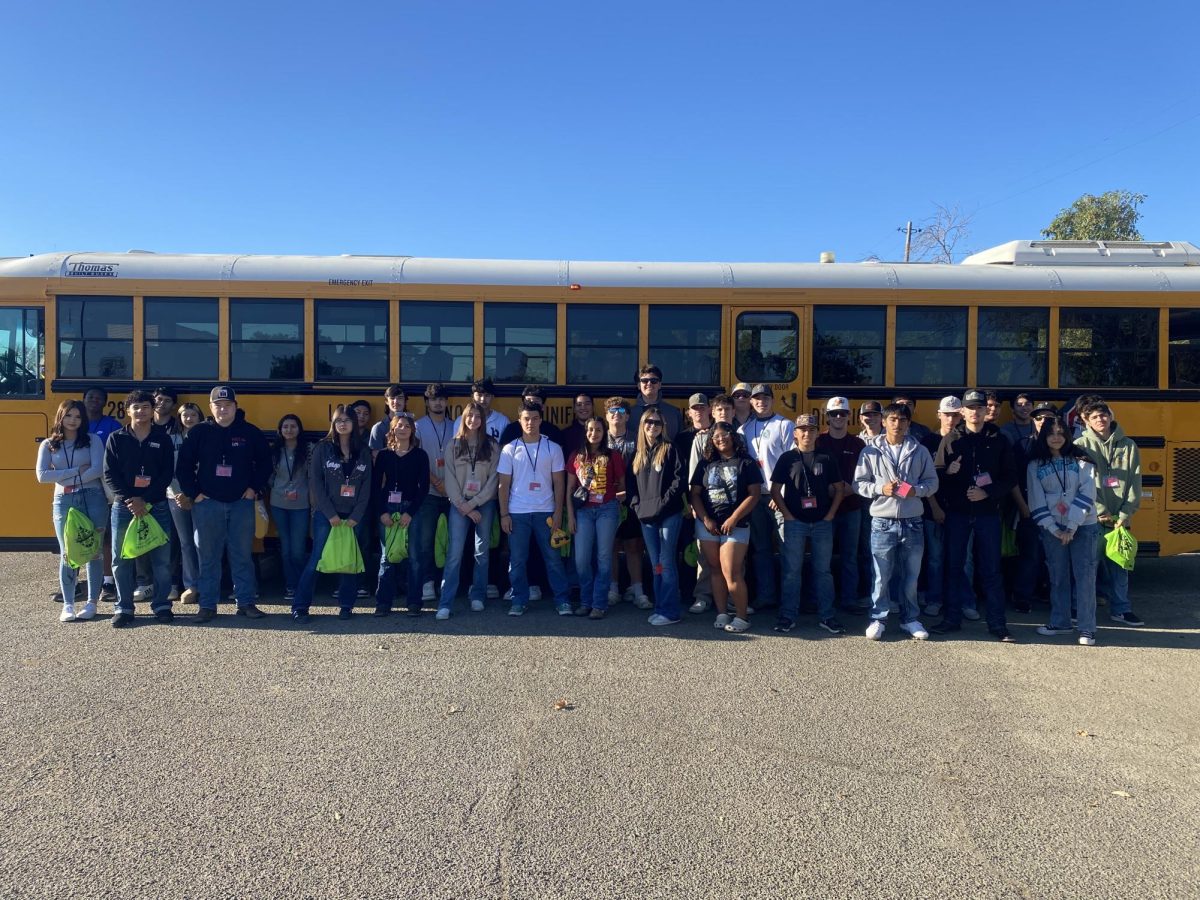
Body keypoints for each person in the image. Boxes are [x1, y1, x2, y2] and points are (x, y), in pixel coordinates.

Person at [175, 385, 271, 622]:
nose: (223, 409)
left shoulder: (250, 432)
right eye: (218, 405)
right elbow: (184, 466)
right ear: (211, 407)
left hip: (241, 503)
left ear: (235, 407)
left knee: (242, 555)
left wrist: (253, 489)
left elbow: (265, 463)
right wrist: (194, 493)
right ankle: (207, 606)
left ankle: (246, 602)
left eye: (228, 405)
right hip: (207, 504)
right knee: (207, 557)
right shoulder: (199, 432)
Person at [931, 390, 1018, 642]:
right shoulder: (950, 439)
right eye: (970, 408)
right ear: (963, 412)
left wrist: (987, 492)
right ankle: (951, 619)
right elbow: (935, 476)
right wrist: (949, 471)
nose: (975, 412)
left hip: (987, 514)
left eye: (980, 408)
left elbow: (1010, 476)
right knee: (954, 567)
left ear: (985, 411)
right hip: (957, 514)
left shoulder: (999, 439)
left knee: (991, 570)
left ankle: (998, 624)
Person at [853, 403, 937, 641]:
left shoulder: (919, 451)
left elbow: (933, 482)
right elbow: (858, 484)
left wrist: (916, 491)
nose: (897, 424)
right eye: (892, 420)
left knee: (911, 576)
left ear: (908, 423)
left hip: (912, 521)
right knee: (881, 574)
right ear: (884, 422)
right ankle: (878, 618)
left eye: (902, 420)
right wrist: (881, 488)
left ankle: (910, 619)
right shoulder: (870, 451)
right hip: (882, 520)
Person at [103, 390, 177, 627]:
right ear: (128, 411)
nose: (141, 411)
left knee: (162, 560)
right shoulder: (116, 438)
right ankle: (124, 608)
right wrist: (131, 499)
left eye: (146, 407)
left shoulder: (162, 438)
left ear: (151, 409)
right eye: (136, 407)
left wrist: (145, 500)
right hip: (124, 507)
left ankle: (162, 606)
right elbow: (110, 474)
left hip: (156, 505)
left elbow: (167, 473)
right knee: (121, 558)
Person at [292, 406, 372, 622]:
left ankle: (346, 605)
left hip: (353, 515)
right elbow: (315, 483)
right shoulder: (322, 448)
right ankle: (300, 607)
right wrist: (330, 514)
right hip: (327, 515)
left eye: (347, 420)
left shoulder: (363, 450)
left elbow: (366, 486)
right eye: (338, 420)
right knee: (316, 559)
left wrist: (357, 515)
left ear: (354, 423)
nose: (342, 424)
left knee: (347, 560)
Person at [1028, 416, 1100, 646]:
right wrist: (1053, 528)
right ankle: (1060, 622)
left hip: (1083, 526)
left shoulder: (1082, 460)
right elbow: (1036, 498)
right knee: (1057, 576)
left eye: (1061, 433)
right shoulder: (1035, 465)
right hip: (1053, 529)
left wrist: (1071, 526)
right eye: (1051, 433)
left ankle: (1087, 628)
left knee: (1085, 577)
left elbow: (1088, 493)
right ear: (1044, 436)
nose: (1056, 437)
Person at [772, 414, 845, 634]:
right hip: (795, 523)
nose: (807, 434)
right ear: (795, 433)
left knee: (823, 571)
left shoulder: (827, 457)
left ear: (816, 433)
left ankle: (827, 616)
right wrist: (788, 515)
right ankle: (787, 615)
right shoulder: (787, 458)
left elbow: (839, 488)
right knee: (791, 571)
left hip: (822, 522)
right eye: (802, 430)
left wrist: (831, 515)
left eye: (811, 430)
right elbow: (775, 490)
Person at [36, 400, 108, 622]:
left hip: (93, 498)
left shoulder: (93, 440)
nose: (73, 421)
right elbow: (41, 476)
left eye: (77, 416)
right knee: (68, 552)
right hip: (63, 500)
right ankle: (68, 604)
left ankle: (91, 603)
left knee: (93, 551)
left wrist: (64, 476)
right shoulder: (48, 444)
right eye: (68, 416)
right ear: (61, 417)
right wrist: (77, 471)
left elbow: (97, 469)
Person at [496, 402, 571, 616]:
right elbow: (503, 485)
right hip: (517, 512)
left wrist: (558, 512)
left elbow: (559, 483)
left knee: (553, 559)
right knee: (517, 559)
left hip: (546, 512)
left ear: (541, 420)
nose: (530, 422)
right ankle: (519, 600)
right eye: (526, 418)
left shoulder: (553, 448)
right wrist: (504, 514)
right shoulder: (510, 449)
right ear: (519, 420)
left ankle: (562, 600)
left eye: (535, 418)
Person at [1075, 400, 1144, 627]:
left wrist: (1125, 514)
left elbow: (1134, 481)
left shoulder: (1128, 445)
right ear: (1087, 420)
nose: (1100, 420)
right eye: (1094, 417)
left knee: (1121, 566)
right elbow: (1081, 484)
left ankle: (1121, 609)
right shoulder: (1080, 445)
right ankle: (1080, 609)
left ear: (1110, 416)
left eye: (1103, 415)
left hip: (1120, 521)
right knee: (1088, 567)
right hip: (1092, 519)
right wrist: (1099, 511)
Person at [690, 422, 762, 633]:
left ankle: (741, 616)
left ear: (733, 436)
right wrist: (706, 519)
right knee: (714, 569)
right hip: (709, 525)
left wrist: (733, 518)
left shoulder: (745, 462)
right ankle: (722, 612)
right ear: (711, 440)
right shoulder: (705, 463)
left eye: (725, 435)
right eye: (716, 437)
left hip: (736, 525)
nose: (721, 439)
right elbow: (695, 493)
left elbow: (754, 494)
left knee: (731, 571)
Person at [439, 402, 499, 618]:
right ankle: (446, 602)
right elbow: (450, 478)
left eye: (478, 416)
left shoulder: (492, 445)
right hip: (459, 504)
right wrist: (462, 505)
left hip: (484, 503)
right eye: (470, 416)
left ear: (483, 420)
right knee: (454, 553)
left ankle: (478, 596)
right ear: (464, 418)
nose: (473, 420)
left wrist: (473, 504)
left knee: (481, 552)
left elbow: (494, 480)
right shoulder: (454, 445)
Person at [628, 406, 685, 626]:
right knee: (656, 565)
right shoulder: (637, 454)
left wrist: (663, 504)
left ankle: (671, 612)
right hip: (646, 518)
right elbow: (631, 485)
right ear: (642, 425)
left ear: (663, 427)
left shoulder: (670, 449)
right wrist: (636, 505)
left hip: (669, 515)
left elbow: (679, 481)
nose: (652, 426)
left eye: (657, 423)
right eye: (648, 422)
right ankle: (660, 606)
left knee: (666, 562)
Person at [566, 415, 625, 619]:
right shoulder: (576, 456)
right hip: (583, 512)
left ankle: (599, 604)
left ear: (604, 432)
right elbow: (569, 490)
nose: (594, 433)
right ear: (586, 431)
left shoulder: (613, 455)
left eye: (598, 430)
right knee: (581, 559)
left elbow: (622, 484)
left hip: (606, 510)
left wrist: (618, 502)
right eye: (590, 429)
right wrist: (571, 516)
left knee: (603, 558)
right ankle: (585, 601)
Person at [739, 384, 792, 610]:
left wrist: (782, 493)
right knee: (761, 549)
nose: (761, 402)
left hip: (778, 496)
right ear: (751, 402)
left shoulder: (785, 425)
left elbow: (792, 461)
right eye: (757, 398)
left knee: (787, 547)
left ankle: (789, 599)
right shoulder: (744, 429)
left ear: (773, 400)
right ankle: (766, 595)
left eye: (766, 398)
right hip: (755, 496)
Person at [372, 412, 429, 618]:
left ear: (412, 430)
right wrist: (382, 512)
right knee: (387, 556)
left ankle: (414, 602)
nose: (402, 429)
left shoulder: (420, 455)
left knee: (414, 557)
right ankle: (383, 602)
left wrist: (410, 513)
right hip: (388, 507)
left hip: (411, 509)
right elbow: (376, 486)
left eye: (406, 426)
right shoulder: (384, 455)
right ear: (392, 430)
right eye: (399, 426)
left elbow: (424, 488)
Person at [816, 397, 869, 616]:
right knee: (822, 559)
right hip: (825, 509)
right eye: (834, 414)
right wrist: (825, 488)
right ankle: (821, 601)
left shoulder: (858, 444)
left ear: (850, 416)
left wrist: (853, 488)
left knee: (849, 556)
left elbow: (868, 473)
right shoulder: (818, 441)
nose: (838, 417)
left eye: (843, 413)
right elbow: (811, 471)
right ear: (826, 417)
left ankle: (849, 599)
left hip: (851, 507)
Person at [919, 397, 961, 619]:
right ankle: (934, 599)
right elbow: (923, 479)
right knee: (934, 558)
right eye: (947, 414)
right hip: (932, 508)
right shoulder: (928, 442)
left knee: (963, 558)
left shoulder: (966, 440)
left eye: (955, 415)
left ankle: (962, 600)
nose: (951, 419)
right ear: (939, 415)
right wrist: (934, 507)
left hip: (960, 510)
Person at [605, 396, 647, 608]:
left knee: (633, 545)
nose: (616, 415)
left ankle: (637, 589)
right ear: (606, 416)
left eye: (621, 412)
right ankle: (612, 588)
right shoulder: (599, 440)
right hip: (605, 501)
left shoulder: (637, 440)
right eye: (612, 411)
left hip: (631, 499)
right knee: (610, 545)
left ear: (628, 416)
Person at [415, 383, 454, 604]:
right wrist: (436, 481)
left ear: (446, 402)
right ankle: (427, 582)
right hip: (428, 492)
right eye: (433, 399)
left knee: (452, 541)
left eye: (441, 399)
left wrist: (449, 485)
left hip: (452, 493)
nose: (438, 403)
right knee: (426, 540)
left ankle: (447, 582)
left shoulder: (455, 425)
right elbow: (418, 460)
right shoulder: (418, 427)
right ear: (427, 402)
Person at [83, 386, 121, 602]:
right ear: (84, 400)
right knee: (78, 533)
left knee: (105, 534)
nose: (94, 401)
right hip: (80, 486)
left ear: (105, 403)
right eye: (90, 397)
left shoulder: (112, 425)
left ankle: (107, 581)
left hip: (104, 487)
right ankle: (76, 580)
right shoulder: (76, 423)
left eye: (99, 398)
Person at [677, 393, 714, 613]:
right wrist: (688, 501)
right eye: (694, 408)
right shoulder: (682, 438)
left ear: (709, 410)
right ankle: (690, 591)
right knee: (689, 549)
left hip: (714, 501)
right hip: (689, 501)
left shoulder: (719, 434)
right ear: (689, 413)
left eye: (702, 408)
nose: (698, 412)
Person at [269, 414, 311, 603]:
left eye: (293, 426)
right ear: (280, 430)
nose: (289, 430)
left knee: (298, 548)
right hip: (279, 503)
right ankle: (291, 585)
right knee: (286, 548)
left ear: (299, 429)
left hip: (301, 503)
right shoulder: (275, 450)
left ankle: (303, 583)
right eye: (285, 426)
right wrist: (277, 488)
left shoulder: (308, 450)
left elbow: (313, 475)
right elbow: (268, 474)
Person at [169, 402, 204, 604]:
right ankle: (191, 585)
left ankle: (207, 584)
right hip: (176, 496)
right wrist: (179, 494)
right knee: (186, 543)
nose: (189, 418)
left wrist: (196, 493)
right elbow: (167, 469)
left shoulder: (206, 438)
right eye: (185, 415)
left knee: (203, 542)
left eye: (193, 414)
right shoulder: (171, 439)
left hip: (201, 496)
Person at [628, 364, 683, 440]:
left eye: (654, 381)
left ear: (660, 385)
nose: (649, 383)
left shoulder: (674, 413)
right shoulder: (629, 414)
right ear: (639, 385)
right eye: (644, 381)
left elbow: (681, 441)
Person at [498, 385, 563, 447]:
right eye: (528, 401)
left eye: (536, 402)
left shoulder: (553, 431)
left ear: (543, 407)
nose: (531, 405)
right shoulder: (511, 430)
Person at [454, 378, 509, 442]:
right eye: (479, 395)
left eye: (487, 395)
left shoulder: (502, 421)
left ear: (493, 397)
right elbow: (455, 447)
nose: (483, 399)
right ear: (472, 397)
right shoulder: (461, 421)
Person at [369, 385, 406, 458]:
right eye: (392, 398)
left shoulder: (412, 426)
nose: (396, 401)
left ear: (405, 401)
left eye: (400, 398)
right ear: (386, 401)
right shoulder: (379, 428)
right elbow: (375, 455)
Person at [562, 392, 595, 459]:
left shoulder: (602, 432)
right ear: (574, 409)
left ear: (593, 407)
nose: (583, 407)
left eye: (587, 404)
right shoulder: (565, 434)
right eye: (579, 405)